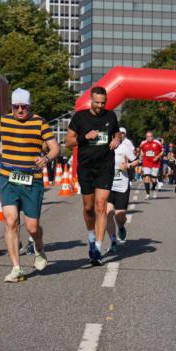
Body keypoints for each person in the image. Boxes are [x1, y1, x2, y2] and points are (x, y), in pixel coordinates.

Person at [0, 88, 59, 282]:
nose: (19, 110)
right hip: (8, 178)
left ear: (29, 106)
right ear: (12, 106)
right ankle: (16, 267)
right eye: (16, 106)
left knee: (32, 227)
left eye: (23, 107)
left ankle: (39, 248)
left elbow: (55, 147)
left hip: (31, 179)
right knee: (10, 221)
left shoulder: (39, 123)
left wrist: (46, 158)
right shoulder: (3, 121)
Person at [65, 86, 119, 266]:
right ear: (90, 100)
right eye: (97, 103)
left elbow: (117, 132)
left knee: (101, 205)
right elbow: (68, 141)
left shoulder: (110, 116)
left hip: (105, 166)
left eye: (103, 103)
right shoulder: (80, 117)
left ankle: (97, 247)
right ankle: (90, 236)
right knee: (88, 208)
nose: (100, 106)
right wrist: (85, 136)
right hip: (86, 167)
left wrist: (117, 139)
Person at [106, 127, 137, 253]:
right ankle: (113, 241)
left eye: (117, 135)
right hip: (107, 185)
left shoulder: (125, 147)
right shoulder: (104, 147)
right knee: (108, 213)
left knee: (120, 216)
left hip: (122, 186)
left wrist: (128, 165)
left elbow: (136, 161)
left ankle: (121, 226)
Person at [139, 131, 164, 199]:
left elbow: (162, 151)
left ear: (153, 136)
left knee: (154, 180)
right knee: (146, 178)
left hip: (155, 163)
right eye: (147, 136)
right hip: (146, 163)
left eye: (150, 136)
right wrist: (141, 156)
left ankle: (153, 189)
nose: (148, 138)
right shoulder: (143, 143)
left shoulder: (157, 142)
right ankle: (147, 194)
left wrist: (157, 157)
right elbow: (141, 150)